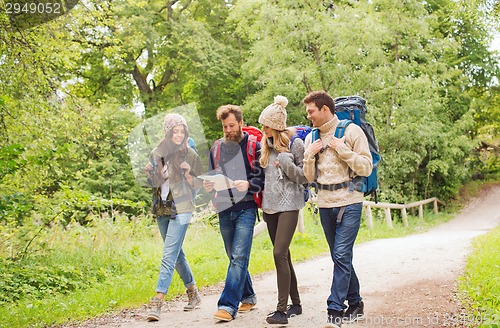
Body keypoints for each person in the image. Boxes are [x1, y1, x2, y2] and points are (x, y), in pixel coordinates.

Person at [302, 91, 372, 328]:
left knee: (341, 255)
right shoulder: (311, 138)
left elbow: (366, 168)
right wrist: (309, 157)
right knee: (339, 257)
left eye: (311, 110)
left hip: (350, 201)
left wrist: (343, 150)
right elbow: (309, 177)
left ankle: (334, 310)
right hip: (325, 204)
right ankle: (356, 301)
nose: (308, 115)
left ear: (324, 109)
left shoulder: (352, 131)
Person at [202, 104, 264, 322]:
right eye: (224, 126)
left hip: (247, 207)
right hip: (224, 208)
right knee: (233, 256)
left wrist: (248, 184)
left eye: (231, 125)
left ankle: (228, 306)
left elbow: (262, 179)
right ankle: (248, 296)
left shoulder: (255, 145)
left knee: (238, 255)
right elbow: (212, 178)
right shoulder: (216, 148)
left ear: (240, 123)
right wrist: (209, 186)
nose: (228, 130)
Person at [143, 113, 203, 321]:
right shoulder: (156, 153)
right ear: (167, 133)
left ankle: (157, 301)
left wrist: (188, 173)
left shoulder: (190, 153)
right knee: (176, 254)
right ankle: (193, 291)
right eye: (174, 131)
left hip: (183, 208)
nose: (179, 134)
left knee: (168, 254)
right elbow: (154, 185)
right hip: (162, 208)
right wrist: (150, 173)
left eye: (182, 131)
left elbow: (198, 184)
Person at [257, 95, 308, 325]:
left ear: (276, 125)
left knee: (278, 254)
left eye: (266, 125)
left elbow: (304, 177)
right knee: (284, 255)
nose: (263, 129)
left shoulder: (295, 144)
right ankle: (295, 303)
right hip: (270, 207)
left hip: (290, 205)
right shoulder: (265, 145)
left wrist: (286, 162)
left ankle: (281, 311)